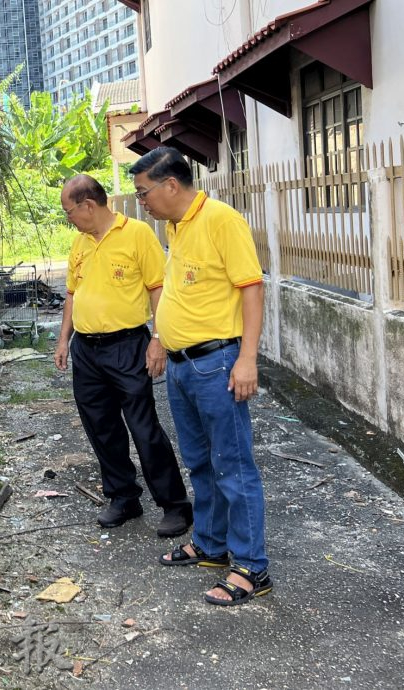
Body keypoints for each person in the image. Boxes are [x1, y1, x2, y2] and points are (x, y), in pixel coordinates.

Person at [129, 146, 272, 606]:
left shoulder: (221, 220)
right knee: (201, 462)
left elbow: (251, 288)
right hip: (181, 365)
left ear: (171, 184)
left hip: (217, 364)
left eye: (144, 192)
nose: (141, 202)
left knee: (234, 466)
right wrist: (158, 337)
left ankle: (252, 567)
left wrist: (247, 359)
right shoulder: (175, 225)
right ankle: (211, 544)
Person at [54, 174, 192, 538]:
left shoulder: (137, 234)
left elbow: (158, 288)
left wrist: (158, 338)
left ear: (88, 205)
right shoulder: (79, 243)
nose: (69, 218)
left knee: (144, 428)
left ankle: (174, 505)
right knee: (101, 427)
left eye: (70, 211)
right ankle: (123, 496)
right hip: (86, 349)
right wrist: (62, 339)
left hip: (127, 345)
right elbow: (72, 293)